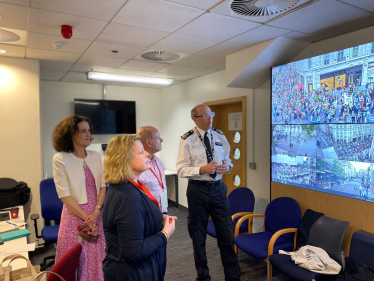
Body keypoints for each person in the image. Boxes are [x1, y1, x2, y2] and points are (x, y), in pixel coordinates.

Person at [176, 104, 241, 281]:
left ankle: (233, 277)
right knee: (198, 238)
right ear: (195, 119)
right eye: (205, 115)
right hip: (198, 191)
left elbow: (228, 158)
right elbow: (181, 169)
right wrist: (201, 169)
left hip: (219, 190)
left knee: (227, 236)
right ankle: (203, 277)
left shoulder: (219, 135)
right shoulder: (187, 139)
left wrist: (227, 166)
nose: (210, 118)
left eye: (210, 114)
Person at [102, 135, 176, 281]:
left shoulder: (128, 187)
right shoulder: (126, 197)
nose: (147, 154)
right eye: (141, 151)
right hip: (131, 273)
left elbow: (137, 215)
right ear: (126, 159)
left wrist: (158, 218)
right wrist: (165, 234)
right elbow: (134, 251)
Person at [52, 115, 106, 281]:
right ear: (70, 134)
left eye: (88, 130)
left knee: (95, 259)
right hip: (74, 215)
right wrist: (87, 219)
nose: (88, 134)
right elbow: (65, 196)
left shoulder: (96, 156)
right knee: (75, 259)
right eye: (83, 131)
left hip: (95, 213)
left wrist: (96, 213)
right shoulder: (61, 159)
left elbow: (103, 187)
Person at [137, 126, 168, 213]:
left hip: (162, 209)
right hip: (148, 213)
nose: (162, 140)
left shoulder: (158, 161)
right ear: (149, 142)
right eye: (158, 138)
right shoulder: (138, 167)